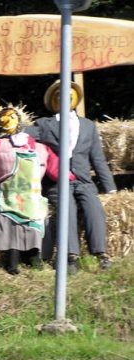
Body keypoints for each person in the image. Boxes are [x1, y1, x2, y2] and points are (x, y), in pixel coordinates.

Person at [25, 80, 117, 274]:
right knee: (66, 209)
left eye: (69, 94)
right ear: (54, 100)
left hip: (83, 180)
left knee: (94, 208)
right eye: (60, 95)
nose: (66, 98)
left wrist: (110, 187)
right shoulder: (44, 124)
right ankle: (71, 256)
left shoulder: (88, 126)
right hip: (58, 181)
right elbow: (22, 137)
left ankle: (101, 253)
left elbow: (98, 158)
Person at [0, 107, 72, 275]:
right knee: (34, 219)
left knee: (11, 219)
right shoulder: (39, 147)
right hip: (31, 196)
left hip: (8, 194)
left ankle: (13, 261)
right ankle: (34, 257)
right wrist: (72, 178)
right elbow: (57, 171)